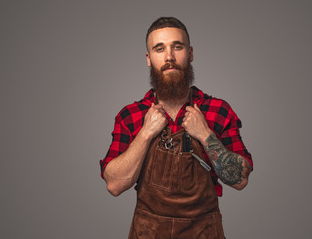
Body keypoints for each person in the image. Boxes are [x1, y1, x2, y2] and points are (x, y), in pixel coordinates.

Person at [100, 17, 253, 239]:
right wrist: (146, 133)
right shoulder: (130, 116)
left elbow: (240, 180)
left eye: (177, 47)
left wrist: (205, 135)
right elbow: (114, 185)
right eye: (159, 49)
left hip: (204, 233)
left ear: (190, 54)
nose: (169, 57)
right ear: (149, 59)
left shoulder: (217, 110)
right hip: (147, 234)